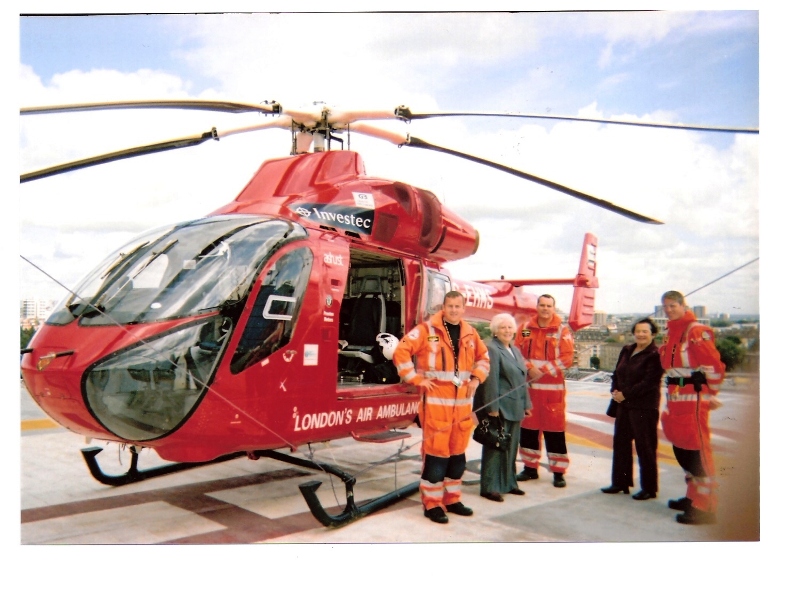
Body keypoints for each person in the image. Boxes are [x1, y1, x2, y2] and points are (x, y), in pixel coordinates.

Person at [393, 291, 490, 524]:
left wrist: (476, 379)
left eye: (458, 306)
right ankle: (432, 504)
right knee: (436, 458)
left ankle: (452, 499)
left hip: (462, 407)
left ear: (463, 308)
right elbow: (401, 352)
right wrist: (415, 379)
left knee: (457, 457)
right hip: (436, 405)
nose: (454, 310)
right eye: (450, 306)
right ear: (443, 307)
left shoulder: (471, 333)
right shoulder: (426, 330)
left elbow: (484, 358)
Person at [659, 290, 725, 525]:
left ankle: (706, 508)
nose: (669, 310)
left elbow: (714, 366)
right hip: (676, 396)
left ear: (683, 306)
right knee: (683, 449)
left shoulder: (695, 331)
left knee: (698, 451)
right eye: (665, 306)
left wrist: (709, 394)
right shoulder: (672, 332)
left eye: (673, 306)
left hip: (693, 397)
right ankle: (692, 498)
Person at [514, 294, 574, 488]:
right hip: (530, 390)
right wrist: (529, 368)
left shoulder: (562, 330)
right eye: (542, 305)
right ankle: (530, 468)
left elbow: (567, 358)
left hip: (552, 394)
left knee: (554, 431)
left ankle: (558, 472)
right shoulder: (525, 328)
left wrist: (545, 370)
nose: (545, 309)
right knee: (528, 430)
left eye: (549, 306)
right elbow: (516, 351)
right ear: (537, 307)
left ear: (553, 308)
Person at [601, 318, 664, 500]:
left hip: (644, 407)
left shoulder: (655, 355)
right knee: (621, 444)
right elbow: (617, 373)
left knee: (645, 447)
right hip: (623, 406)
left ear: (653, 334)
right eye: (638, 331)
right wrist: (615, 391)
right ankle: (620, 482)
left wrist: (626, 394)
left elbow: (649, 382)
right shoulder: (627, 350)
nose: (640, 335)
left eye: (645, 331)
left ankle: (649, 488)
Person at [476, 313, 532, 502]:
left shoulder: (514, 350)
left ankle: (509, 483)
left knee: (511, 447)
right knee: (495, 446)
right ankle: (490, 487)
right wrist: (492, 407)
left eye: (510, 327)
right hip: (500, 407)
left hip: (515, 406)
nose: (507, 331)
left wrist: (526, 404)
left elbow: (521, 379)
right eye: (503, 327)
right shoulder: (492, 348)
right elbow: (491, 380)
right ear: (495, 331)